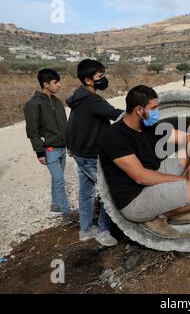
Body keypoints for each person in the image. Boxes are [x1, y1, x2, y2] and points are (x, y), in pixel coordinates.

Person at [99, 85, 190, 238]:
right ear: (139, 110)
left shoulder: (150, 128)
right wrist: (181, 180)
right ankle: (154, 217)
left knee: (187, 153)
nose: (157, 112)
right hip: (135, 200)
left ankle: (172, 211)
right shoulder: (114, 137)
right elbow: (141, 177)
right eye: (154, 108)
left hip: (152, 181)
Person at [66, 59, 124, 246]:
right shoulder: (92, 99)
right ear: (88, 80)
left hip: (80, 153)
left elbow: (74, 125)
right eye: (100, 77)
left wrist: (71, 147)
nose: (104, 79)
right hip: (92, 155)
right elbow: (117, 114)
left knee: (86, 193)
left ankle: (85, 230)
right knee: (109, 191)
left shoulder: (79, 96)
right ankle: (103, 231)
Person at [24, 69, 73, 226]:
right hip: (49, 150)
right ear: (46, 84)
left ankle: (55, 206)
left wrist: (70, 145)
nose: (59, 85)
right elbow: (32, 130)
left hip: (62, 148)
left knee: (56, 179)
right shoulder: (33, 104)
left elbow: (64, 126)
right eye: (55, 82)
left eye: (58, 81)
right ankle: (67, 214)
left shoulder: (58, 102)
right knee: (59, 181)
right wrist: (39, 151)